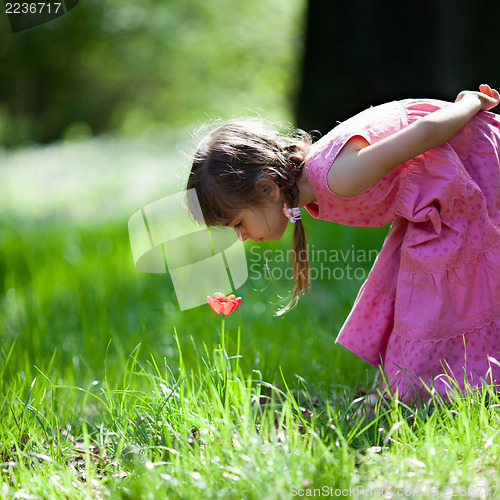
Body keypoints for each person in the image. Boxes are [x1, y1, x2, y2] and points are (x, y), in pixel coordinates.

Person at [186, 84, 500, 402]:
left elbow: (425, 134)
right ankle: (413, 388)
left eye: (239, 223)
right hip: (441, 193)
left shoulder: (340, 177)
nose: (241, 236)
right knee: (411, 282)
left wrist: (470, 102)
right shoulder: (317, 180)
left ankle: (432, 390)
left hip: (472, 172)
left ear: (268, 189)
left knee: (437, 285)